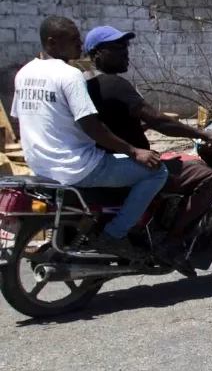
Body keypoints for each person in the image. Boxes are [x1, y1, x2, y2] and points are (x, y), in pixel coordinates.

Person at [11, 16, 168, 259]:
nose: (80, 44)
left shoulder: (24, 73)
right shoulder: (69, 75)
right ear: (52, 43)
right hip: (79, 168)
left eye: (79, 38)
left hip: (40, 168)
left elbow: (19, 119)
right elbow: (91, 126)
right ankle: (115, 234)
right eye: (73, 40)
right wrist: (134, 151)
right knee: (157, 171)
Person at [84, 26, 212, 272]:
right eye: (117, 48)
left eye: (126, 47)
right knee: (205, 176)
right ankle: (171, 241)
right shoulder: (114, 84)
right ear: (96, 53)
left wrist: (138, 127)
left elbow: (106, 123)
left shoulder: (85, 83)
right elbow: (161, 121)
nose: (125, 53)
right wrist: (202, 133)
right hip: (126, 165)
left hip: (101, 159)